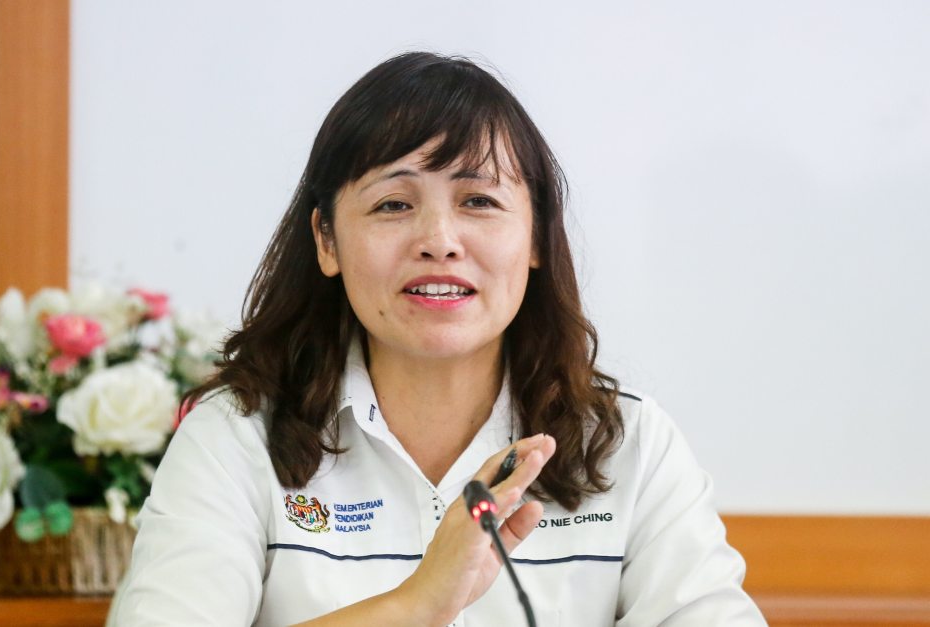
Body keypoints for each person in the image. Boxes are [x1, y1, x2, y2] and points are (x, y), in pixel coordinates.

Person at [108, 51, 766, 626]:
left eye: (479, 201)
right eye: (393, 204)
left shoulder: (629, 446)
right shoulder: (234, 440)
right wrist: (415, 605)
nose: (440, 240)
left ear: (536, 236)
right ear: (326, 241)